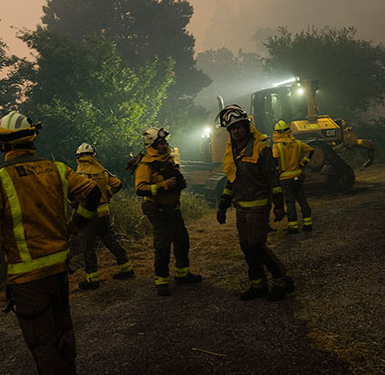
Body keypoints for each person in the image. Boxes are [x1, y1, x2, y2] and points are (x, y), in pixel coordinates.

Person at [0, 111, 101, 375]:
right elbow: (93, 192)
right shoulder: (57, 168)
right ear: (31, 138)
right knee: (63, 336)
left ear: (3, 143)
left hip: (27, 279)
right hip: (59, 269)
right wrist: (76, 225)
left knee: (43, 345)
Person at [215, 105, 294, 302]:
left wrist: (278, 205)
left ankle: (282, 280)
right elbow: (231, 179)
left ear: (247, 127)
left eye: (240, 126)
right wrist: (223, 205)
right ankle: (257, 284)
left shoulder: (260, 147)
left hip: (259, 205)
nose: (237, 131)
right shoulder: (232, 152)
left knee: (257, 245)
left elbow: (271, 178)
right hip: (241, 207)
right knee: (246, 246)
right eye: (233, 129)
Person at [133, 126, 202, 297]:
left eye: (165, 142)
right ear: (152, 146)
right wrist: (163, 186)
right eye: (161, 143)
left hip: (174, 209)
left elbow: (175, 179)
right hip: (160, 212)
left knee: (182, 241)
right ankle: (161, 282)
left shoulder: (168, 160)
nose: (165, 145)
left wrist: (181, 183)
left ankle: (182, 275)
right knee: (163, 247)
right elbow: (140, 189)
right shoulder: (146, 165)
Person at [73, 143, 134, 290]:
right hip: (103, 213)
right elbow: (117, 184)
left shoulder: (79, 174)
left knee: (87, 246)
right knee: (110, 240)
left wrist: (74, 206)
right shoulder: (102, 171)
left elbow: (74, 194)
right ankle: (126, 268)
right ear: (94, 156)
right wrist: (107, 195)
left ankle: (92, 279)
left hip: (88, 215)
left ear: (78, 157)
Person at [272, 119, 314, 234]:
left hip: (285, 179)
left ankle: (293, 227)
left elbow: (275, 161)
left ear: (276, 132)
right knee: (302, 201)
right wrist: (302, 164)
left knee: (290, 203)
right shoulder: (297, 142)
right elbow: (311, 151)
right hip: (298, 175)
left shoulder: (277, 146)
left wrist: (277, 173)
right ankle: (308, 224)